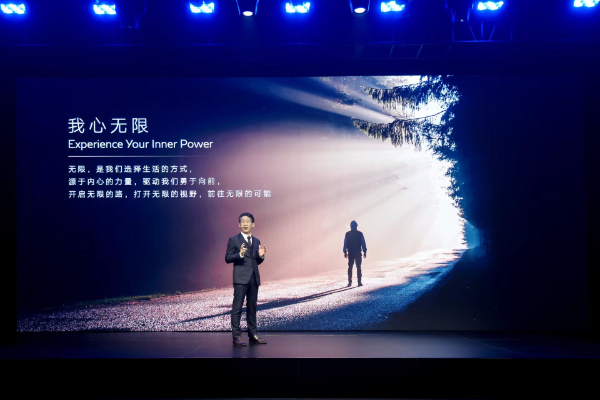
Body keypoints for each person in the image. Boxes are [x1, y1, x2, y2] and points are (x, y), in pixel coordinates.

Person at [225, 212, 267, 346]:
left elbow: (255, 261)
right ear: (239, 224)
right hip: (240, 278)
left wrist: (261, 256)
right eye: (242, 221)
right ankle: (236, 336)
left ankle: (253, 334)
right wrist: (240, 254)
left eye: (247, 221)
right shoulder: (234, 240)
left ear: (253, 224)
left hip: (254, 278)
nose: (245, 224)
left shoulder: (257, 241)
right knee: (237, 307)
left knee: (252, 307)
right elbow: (227, 258)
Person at [343, 220, 367, 287]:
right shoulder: (360, 234)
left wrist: (345, 251)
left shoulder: (347, 234)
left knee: (350, 267)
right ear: (356, 226)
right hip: (358, 252)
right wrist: (364, 251)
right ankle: (359, 282)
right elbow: (363, 243)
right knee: (358, 267)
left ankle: (349, 282)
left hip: (350, 252)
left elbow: (345, 243)